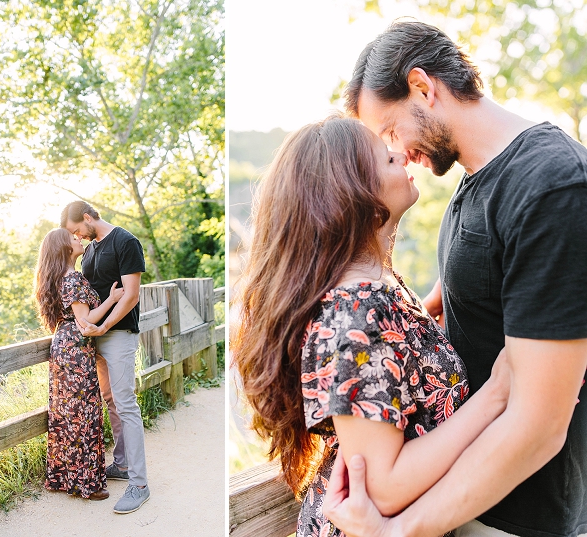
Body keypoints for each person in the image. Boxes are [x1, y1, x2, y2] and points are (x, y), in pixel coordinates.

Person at [323, 20, 587, 537]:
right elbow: (461, 310)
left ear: (423, 87)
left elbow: (540, 425)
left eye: (392, 130)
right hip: (463, 499)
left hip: (523, 516)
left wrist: (400, 531)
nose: (397, 151)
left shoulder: (552, 186)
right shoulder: (475, 184)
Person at [232, 114, 510, 537]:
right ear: (352, 193)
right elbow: (385, 486)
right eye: (385, 157)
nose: (399, 153)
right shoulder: (357, 314)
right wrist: (498, 394)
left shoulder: (376, 296)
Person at [60, 201, 150, 514]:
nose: (77, 237)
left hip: (119, 333)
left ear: (87, 217)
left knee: (125, 403)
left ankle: (139, 484)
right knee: (110, 399)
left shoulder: (126, 242)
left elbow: (131, 294)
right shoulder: (91, 250)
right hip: (94, 338)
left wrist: (105, 325)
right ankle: (122, 465)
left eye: (76, 230)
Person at [34, 228, 125, 501]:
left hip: (64, 345)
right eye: (74, 238)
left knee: (67, 414)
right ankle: (87, 484)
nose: (80, 239)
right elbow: (87, 321)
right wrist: (112, 299)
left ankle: (66, 478)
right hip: (76, 348)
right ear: (64, 247)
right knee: (83, 413)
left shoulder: (58, 276)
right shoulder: (71, 277)